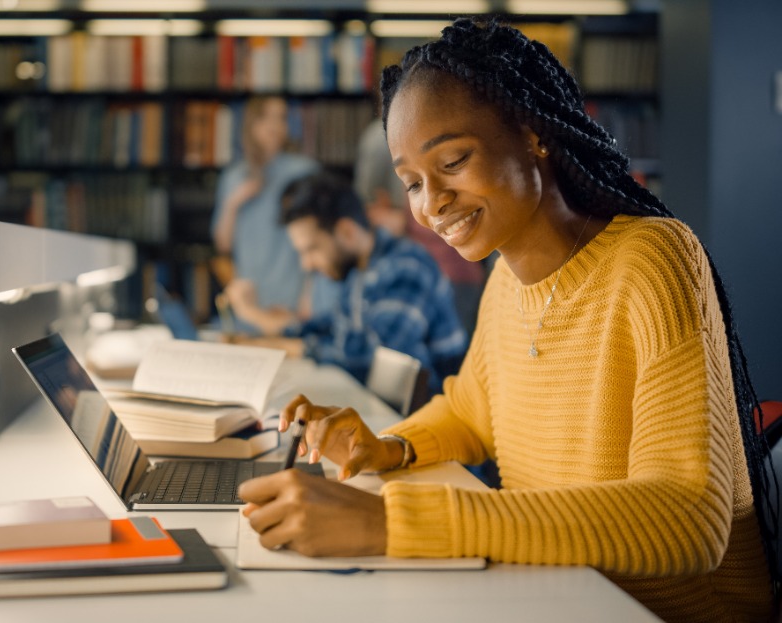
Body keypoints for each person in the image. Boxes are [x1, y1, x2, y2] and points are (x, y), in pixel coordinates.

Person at [237, 18, 779, 623]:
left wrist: (393, 522)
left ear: (533, 135)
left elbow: (687, 521)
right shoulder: (506, 278)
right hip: (559, 594)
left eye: (453, 161)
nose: (431, 203)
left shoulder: (654, 261)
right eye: (412, 182)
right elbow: (471, 410)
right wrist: (387, 446)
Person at [233, 171, 468, 396]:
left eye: (311, 249)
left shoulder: (406, 267)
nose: (306, 265)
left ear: (346, 231)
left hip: (430, 419)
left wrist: (293, 347)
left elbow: (378, 357)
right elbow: (336, 327)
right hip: (383, 410)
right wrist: (277, 333)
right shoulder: (360, 271)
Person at [211, 95, 336, 334]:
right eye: (266, 117)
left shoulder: (304, 172)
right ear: (251, 124)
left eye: (281, 118)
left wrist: (310, 293)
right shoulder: (234, 177)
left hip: (291, 299)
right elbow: (222, 244)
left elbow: (321, 239)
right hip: (249, 300)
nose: (274, 126)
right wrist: (233, 204)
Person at [354, 116, 488, 336]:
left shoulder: (381, 138)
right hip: (434, 275)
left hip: (452, 276)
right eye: (413, 183)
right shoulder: (382, 140)